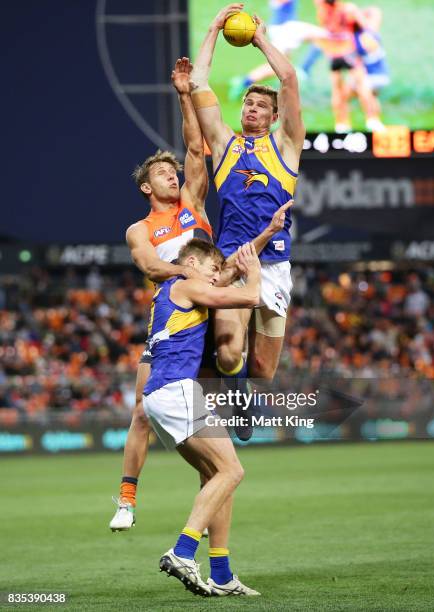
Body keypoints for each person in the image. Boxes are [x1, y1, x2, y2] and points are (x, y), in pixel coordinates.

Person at [110, 56, 293, 530]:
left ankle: (214, 544)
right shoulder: (140, 229)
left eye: (174, 173)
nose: (173, 176)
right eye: (162, 174)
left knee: (236, 360)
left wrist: (184, 93)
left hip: (210, 296)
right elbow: (151, 266)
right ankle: (127, 499)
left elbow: (196, 148)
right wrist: (192, 279)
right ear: (146, 186)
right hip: (176, 311)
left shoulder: (193, 203)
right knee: (141, 407)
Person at [191, 3, 304, 392]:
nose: (252, 109)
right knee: (229, 353)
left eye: (261, 106)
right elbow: (198, 84)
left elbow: (288, 79)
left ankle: (243, 389)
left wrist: (259, 39)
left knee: (263, 370)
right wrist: (213, 28)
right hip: (231, 261)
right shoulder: (225, 145)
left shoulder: (286, 147)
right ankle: (232, 387)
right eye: (248, 104)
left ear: (274, 117)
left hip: (273, 265)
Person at [144, 238, 261, 597]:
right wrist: (252, 272)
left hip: (159, 397)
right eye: (212, 269)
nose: (214, 277)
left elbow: (218, 286)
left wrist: (228, 270)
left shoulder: (172, 290)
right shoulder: (187, 283)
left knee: (215, 476)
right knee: (232, 471)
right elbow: (249, 297)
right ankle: (182, 551)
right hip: (177, 390)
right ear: (191, 262)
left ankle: (222, 575)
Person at [228, 0, 328, 99]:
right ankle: (304, 69)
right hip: (284, 29)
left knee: (282, 65)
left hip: (284, 28)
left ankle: (244, 82)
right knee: (326, 36)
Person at [314, 0, 384, 132]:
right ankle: (372, 120)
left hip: (334, 54)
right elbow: (365, 26)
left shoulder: (322, 10)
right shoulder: (347, 9)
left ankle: (341, 124)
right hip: (348, 52)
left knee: (336, 89)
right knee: (362, 85)